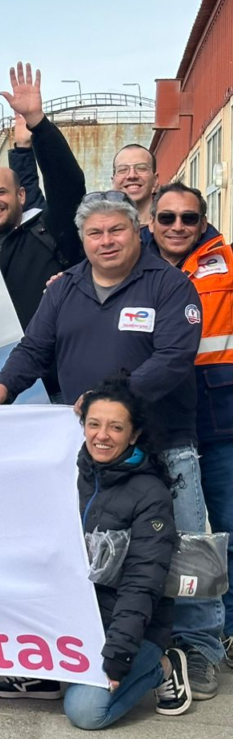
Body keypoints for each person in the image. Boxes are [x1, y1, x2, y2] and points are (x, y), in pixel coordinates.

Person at [0, 193, 224, 697]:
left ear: (138, 232)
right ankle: (85, 640)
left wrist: (111, 398)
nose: (106, 241)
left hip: (165, 443)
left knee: (188, 549)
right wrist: (4, 387)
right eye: (95, 233)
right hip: (94, 452)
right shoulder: (64, 288)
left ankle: (199, 648)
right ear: (84, 239)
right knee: (87, 549)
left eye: (116, 231)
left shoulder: (171, 286)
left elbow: (175, 357)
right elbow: (34, 348)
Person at [0, 377, 191, 725]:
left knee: (86, 711)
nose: (102, 435)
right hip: (70, 618)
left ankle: (164, 665)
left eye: (115, 427)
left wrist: (119, 658)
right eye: (94, 424)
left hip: (125, 627)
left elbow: (142, 585)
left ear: (134, 434)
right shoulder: (66, 474)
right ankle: (43, 675)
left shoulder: (150, 495)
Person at [149, 182, 233, 674]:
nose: (177, 227)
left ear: (203, 222)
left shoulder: (227, 259)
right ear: (153, 221)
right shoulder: (132, 261)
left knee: (226, 527)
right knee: (172, 531)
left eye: (188, 218)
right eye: (167, 218)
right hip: (162, 414)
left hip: (220, 411)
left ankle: (227, 632)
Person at [0, 62, 87, 330]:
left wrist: (38, 123)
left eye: (0, 192)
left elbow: (67, 183)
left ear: (21, 195)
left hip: (52, 367)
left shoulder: (51, 229)